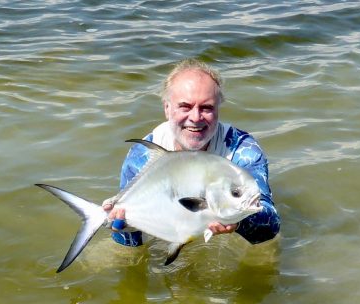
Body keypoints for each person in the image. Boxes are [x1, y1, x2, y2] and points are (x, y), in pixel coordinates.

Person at [103, 59, 280, 247]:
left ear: (218, 109)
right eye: (185, 106)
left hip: (228, 240)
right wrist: (123, 224)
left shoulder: (242, 149)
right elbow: (128, 242)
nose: (195, 118)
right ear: (167, 108)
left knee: (264, 257)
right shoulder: (143, 154)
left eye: (206, 108)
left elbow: (269, 228)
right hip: (163, 234)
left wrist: (238, 223)